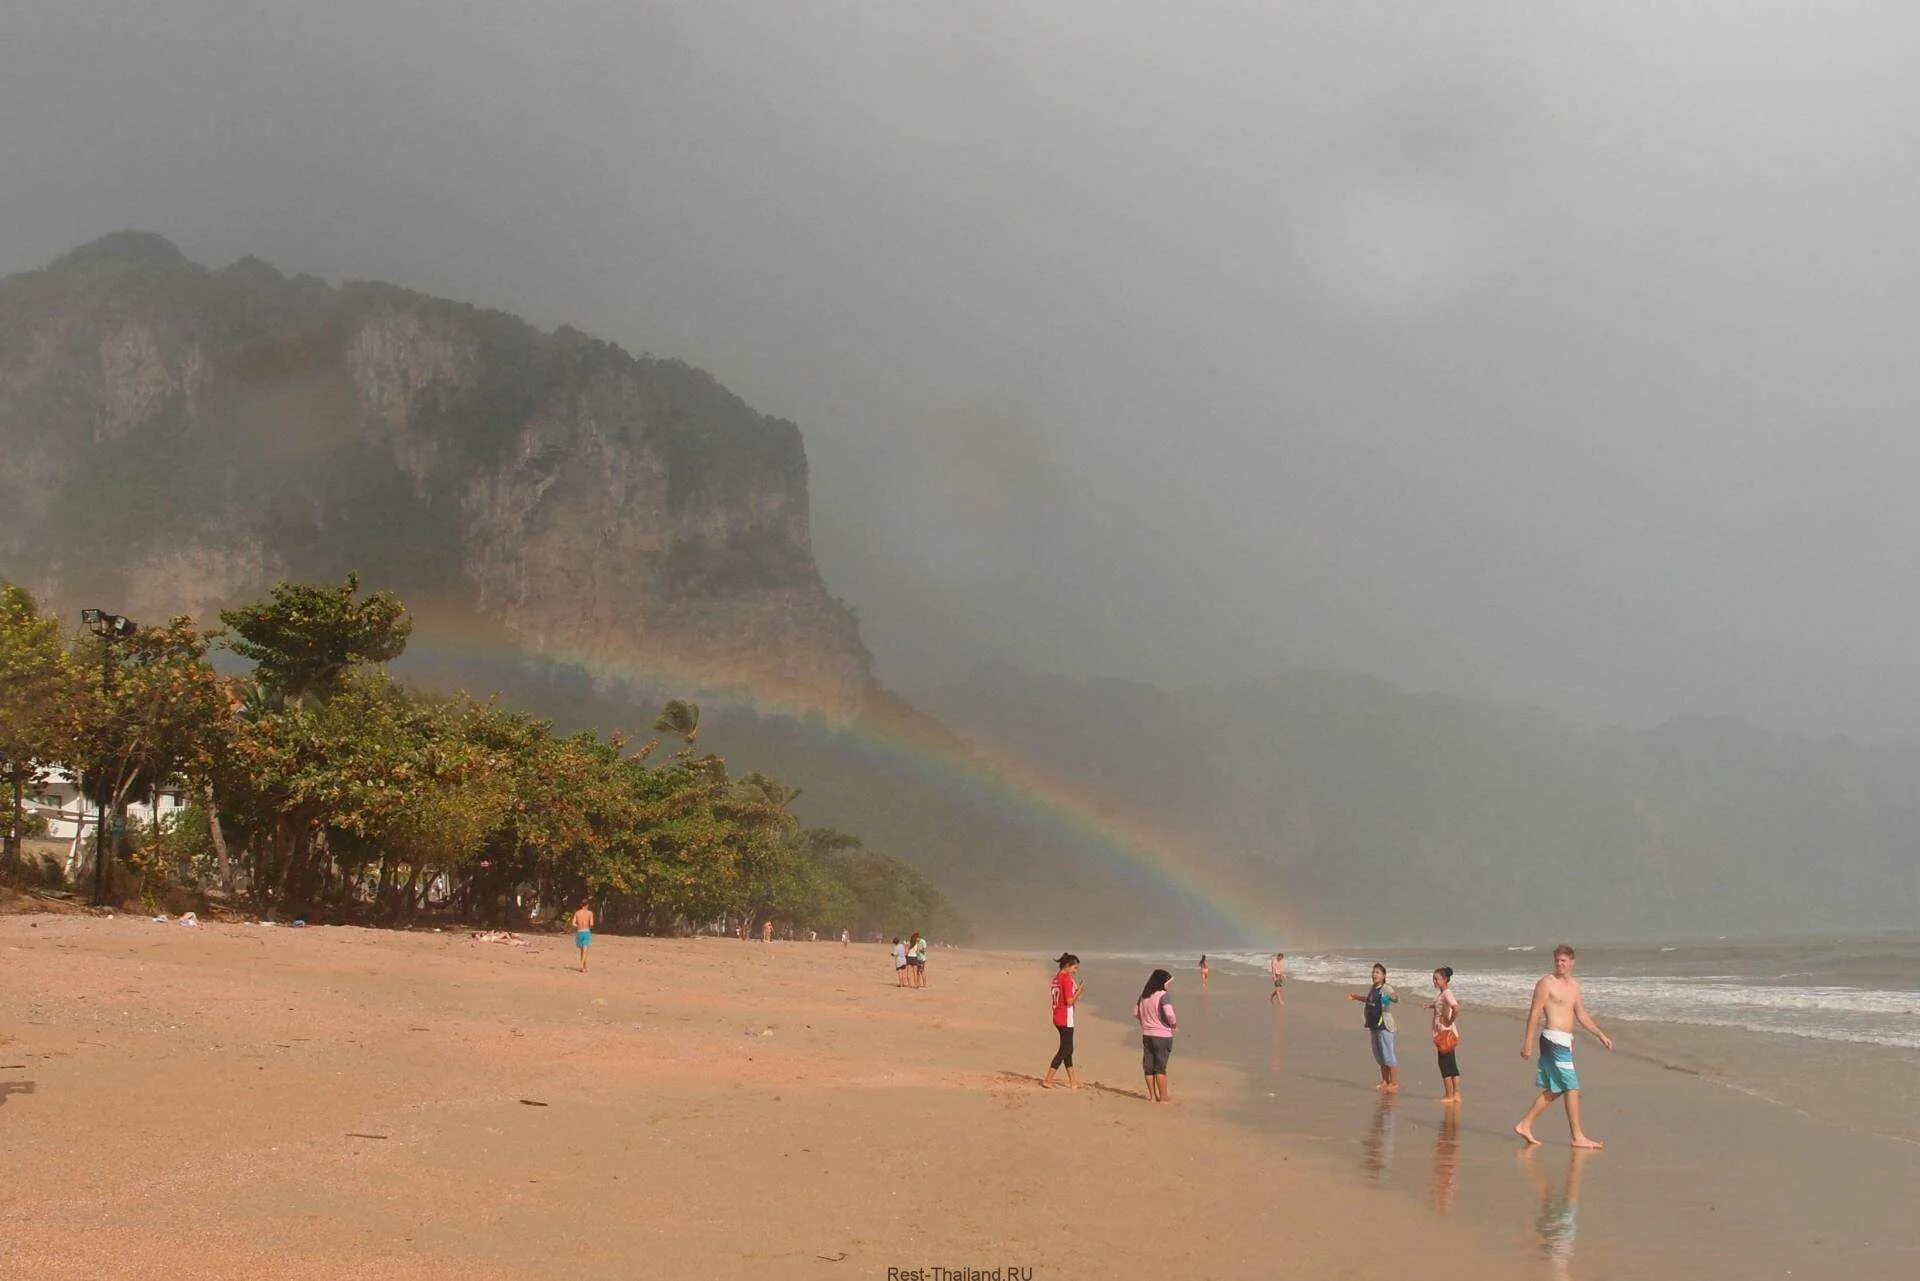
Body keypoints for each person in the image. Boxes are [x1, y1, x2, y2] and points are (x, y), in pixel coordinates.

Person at [1515, 944, 1614, 1148]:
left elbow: (1581, 1015)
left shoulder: (1574, 986)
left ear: (1571, 963)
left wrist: (1600, 1034)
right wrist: (1528, 1042)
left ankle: (1525, 1124)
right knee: (1571, 1085)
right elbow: (1534, 1013)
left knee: (1558, 1088)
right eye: (1557, 960)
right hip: (1552, 1039)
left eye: (1563, 961)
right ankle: (1577, 1136)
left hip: (1566, 1041)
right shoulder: (1546, 983)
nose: (1560, 964)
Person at [1347, 963, 1398, 1092]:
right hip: (1374, 1025)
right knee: (1379, 1055)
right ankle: (1385, 1081)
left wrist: (1392, 997)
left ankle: (1394, 1083)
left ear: (1384, 975)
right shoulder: (1373, 988)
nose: (1374, 974)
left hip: (1385, 1025)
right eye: (1373, 972)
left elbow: (1395, 997)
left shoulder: (1385, 988)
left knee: (1388, 1055)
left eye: (1377, 972)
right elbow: (1369, 1000)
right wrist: (1356, 997)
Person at [1132, 968, 1178, 1103]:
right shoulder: (1163, 995)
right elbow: (1169, 1014)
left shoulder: (1144, 996)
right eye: (1168, 982)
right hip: (1162, 1035)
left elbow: (1135, 1012)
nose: (1169, 985)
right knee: (1160, 1067)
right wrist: (1174, 1025)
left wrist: (1145, 1022)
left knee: (1149, 1066)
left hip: (1147, 1034)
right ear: (1162, 982)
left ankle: (1152, 1096)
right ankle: (1163, 1097)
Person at [1041, 953, 1083, 1089]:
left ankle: (1073, 1081)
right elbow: (1069, 1001)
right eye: (1075, 968)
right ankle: (1048, 1079)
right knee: (1066, 1049)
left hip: (1058, 1016)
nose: (1076, 971)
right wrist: (1079, 991)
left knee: (1067, 1049)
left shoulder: (1056, 978)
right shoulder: (1065, 979)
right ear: (1067, 966)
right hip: (1065, 1017)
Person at [1428, 966, 1462, 1104]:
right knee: (1451, 1064)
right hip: (1446, 1033)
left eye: (1436, 979)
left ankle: (1449, 1095)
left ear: (1445, 979)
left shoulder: (1447, 993)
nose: (1434, 981)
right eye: (1433, 979)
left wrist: (1450, 1020)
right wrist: (1430, 1006)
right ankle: (1457, 1095)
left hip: (1444, 1034)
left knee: (1445, 1065)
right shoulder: (1443, 994)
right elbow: (1442, 1006)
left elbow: (1456, 1008)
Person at [570, 899, 594, 973]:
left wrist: (578, 926)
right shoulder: (590, 913)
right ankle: (581, 966)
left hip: (579, 932)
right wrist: (589, 928)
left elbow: (573, 923)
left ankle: (584, 967)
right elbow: (592, 924)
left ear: (581, 905)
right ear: (587, 905)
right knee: (585, 950)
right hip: (586, 932)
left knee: (582, 951)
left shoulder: (577, 913)